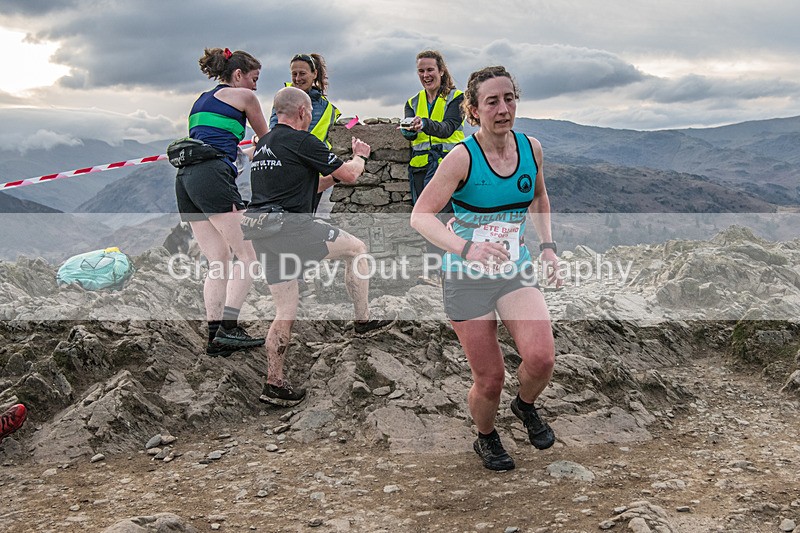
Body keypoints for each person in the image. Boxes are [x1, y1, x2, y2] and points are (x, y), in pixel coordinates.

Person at [410, 66, 563, 471]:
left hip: (515, 269)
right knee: (490, 378)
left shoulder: (532, 148)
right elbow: (420, 216)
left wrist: (547, 248)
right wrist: (467, 248)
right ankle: (486, 436)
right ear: (474, 110)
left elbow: (540, 198)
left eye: (509, 98)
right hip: (466, 277)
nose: (503, 108)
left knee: (541, 358)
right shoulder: (462, 157)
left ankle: (525, 405)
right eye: (491, 101)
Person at [251, 87, 392, 407]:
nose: (312, 116)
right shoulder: (303, 140)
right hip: (293, 228)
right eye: (310, 112)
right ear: (302, 111)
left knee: (285, 309)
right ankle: (363, 321)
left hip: (262, 231)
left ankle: (274, 382)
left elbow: (310, 183)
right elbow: (350, 176)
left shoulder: (263, 144)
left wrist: (333, 175)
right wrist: (360, 156)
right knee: (357, 250)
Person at [175, 47, 270, 358]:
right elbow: (268, 139)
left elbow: (218, 141)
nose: (256, 86)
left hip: (187, 180)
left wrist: (247, 153)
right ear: (238, 75)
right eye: (254, 79)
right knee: (249, 255)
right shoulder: (245, 98)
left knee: (218, 259)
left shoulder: (201, 100)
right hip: (213, 177)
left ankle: (215, 335)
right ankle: (229, 328)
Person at [400, 50, 465, 284]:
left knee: (448, 218)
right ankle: (435, 272)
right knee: (427, 219)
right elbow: (409, 135)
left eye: (430, 70)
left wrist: (423, 124)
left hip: (448, 166)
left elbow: (448, 128)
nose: (426, 75)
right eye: (421, 71)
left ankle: (451, 270)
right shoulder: (412, 101)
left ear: (441, 70)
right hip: (420, 166)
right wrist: (408, 130)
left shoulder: (457, 98)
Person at [269, 53, 341, 214]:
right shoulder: (283, 98)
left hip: (311, 173)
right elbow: (274, 130)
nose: (297, 78)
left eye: (302, 73)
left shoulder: (327, 107)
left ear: (314, 74)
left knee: (305, 220)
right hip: (283, 169)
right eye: (294, 74)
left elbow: (332, 132)